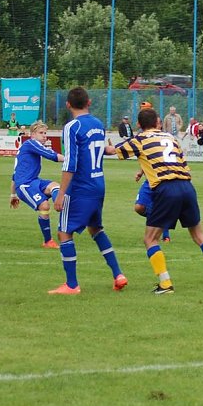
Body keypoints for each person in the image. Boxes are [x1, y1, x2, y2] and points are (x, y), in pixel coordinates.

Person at [112, 107, 203, 295]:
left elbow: (113, 150)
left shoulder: (140, 139)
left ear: (139, 124)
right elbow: (185, 166)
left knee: (150, 239)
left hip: (165, 189)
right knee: (199, 235)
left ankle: (165, 283)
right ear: (157, 122)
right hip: (187, 186)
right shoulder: (171, 139)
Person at [49, 87, 127, 295]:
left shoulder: (72, 127)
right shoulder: (98, 124)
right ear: (89, 102)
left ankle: (71, 285)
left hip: (80, 187)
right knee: (96, 229)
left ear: (68, 105)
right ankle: (118, 274)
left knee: (64, 232)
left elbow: (70, 163)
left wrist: (61, 194)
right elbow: (100, 152)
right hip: (98, 184)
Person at [9, 120, 65, 249]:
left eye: (45, 133)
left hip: (34, 181)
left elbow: (14, 173)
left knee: (55, 186)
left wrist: (12, 195)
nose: (44, 135)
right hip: (24, 185)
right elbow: (51, 156)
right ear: (32, 134)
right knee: (44, 206)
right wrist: (73, 160)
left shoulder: (30, 147)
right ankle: (48, 241)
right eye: (41, 133)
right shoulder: (31, 143)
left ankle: (63, 211)